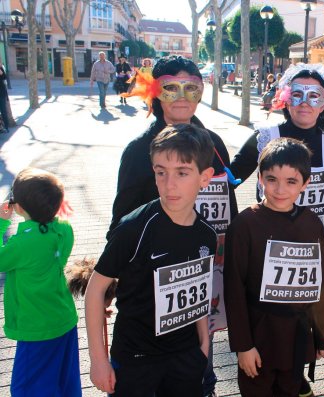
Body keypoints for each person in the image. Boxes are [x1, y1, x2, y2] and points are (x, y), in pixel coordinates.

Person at [114, 55, 239, 397]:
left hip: (202, 273)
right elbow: (121, 221)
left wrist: (230, 271)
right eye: (171, 87)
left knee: (199, 367)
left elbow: (228, 208)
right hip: (151, 285)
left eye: (192, 87)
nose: (182, 95)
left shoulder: (213, 143)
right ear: (155, 92)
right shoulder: (140, 150)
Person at [230, 62, 324, 397]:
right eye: (297, 93)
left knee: (292, 372)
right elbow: (229, 177)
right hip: (263, 251)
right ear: (285, 97)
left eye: (314, 95)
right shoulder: (266, 137)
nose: (305, 102)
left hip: (309, 244)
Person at [85, 124, 217, 396]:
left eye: (182, 173)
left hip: (186, 357)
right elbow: (95, 290)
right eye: (160, 172)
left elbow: (199, 293)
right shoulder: (133, 228)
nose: (169, 184)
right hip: (135, 359)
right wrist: (98, 360)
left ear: (205, 177)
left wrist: (203, 344)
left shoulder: (206, 234)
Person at [224, 137, 324, 396]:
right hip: (258, 336)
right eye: (272, 179)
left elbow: (322, 283)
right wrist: (243, 346)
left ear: (305, 183)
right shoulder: (245, 224)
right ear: (260, 179)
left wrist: (320, 336)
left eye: (291, 181)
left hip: (296, 335)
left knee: (291, 389)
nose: (280, 189)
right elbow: (233, 288)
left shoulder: (312, 224)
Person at [0, 168, 81, 397]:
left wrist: (1, 223)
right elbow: (59, 224)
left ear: (19, 207)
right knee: (65, 382)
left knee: (27, 389)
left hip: (37, 329)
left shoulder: (23, 244)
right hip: (63, 319)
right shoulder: (64, 230)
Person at [0, 59, 10, 133]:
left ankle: (6, 127)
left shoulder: (1, 68)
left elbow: (5, 77)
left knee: (3, 111)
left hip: (1, 93)